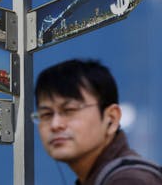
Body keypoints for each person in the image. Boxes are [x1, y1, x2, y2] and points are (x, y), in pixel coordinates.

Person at [32, 58, 162, 185]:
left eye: (69, 110)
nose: (55, 125)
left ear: (111, 118)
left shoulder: (129, 180)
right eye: (46, 114)